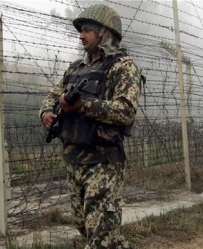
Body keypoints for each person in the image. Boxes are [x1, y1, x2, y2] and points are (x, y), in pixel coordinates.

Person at [39, 4, 141, 249]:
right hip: (74, 160)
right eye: (80, 30)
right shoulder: (76, 69)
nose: (81, 35)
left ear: (104, 33)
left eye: (87, 30)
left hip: (103, 161)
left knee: (101, 235)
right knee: (88, 229)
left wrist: (83, 105)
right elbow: (52, 95)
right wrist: (46, 112)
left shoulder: (123, 67)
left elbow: (126, 111)